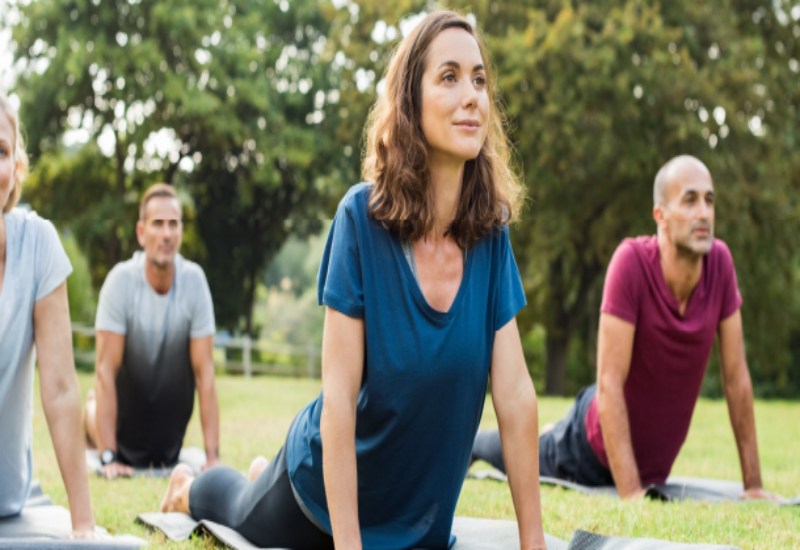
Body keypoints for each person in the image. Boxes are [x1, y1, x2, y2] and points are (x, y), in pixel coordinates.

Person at [160, 10, 546, 549]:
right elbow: (339, 399)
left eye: (479, 79)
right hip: (319, 502)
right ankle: (189, 486)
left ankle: (252, 472)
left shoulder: (489, 236)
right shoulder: (361, 219)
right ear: (411, 103)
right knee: (233, 506)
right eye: (450, 77)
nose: (472, 96)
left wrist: (535, 543)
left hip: (414, 518)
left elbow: (515, 393)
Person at [472, 155, 774, 500]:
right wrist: (632, 494)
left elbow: (737, 379)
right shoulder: (630, 263)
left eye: (709, 200)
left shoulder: (720, 265)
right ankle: (476, 444)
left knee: (545, 438)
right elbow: (609, 384)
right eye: (690, 200)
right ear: (660, 214)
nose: (703, 212)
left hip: (649, 464)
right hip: (588, 448)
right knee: (529, 454)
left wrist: (754, 485)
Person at [0, 94, 96, 536]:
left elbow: (59, 389)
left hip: (6, 495)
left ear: (15, 168)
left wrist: (84, 526)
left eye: (0, 151)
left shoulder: (38, 243)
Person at [84, 183, 220, 479]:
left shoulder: (194, 282)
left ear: (181, 232)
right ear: (141, 232)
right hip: (121, 435)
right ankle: (92, 420)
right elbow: (104, 371)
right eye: (157, 224)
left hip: (167, 444)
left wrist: (212, 457)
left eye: (174, 224)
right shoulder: (120, 282)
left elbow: (205, 372)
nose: (167, 234)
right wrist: (108, 456)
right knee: (92, 406)